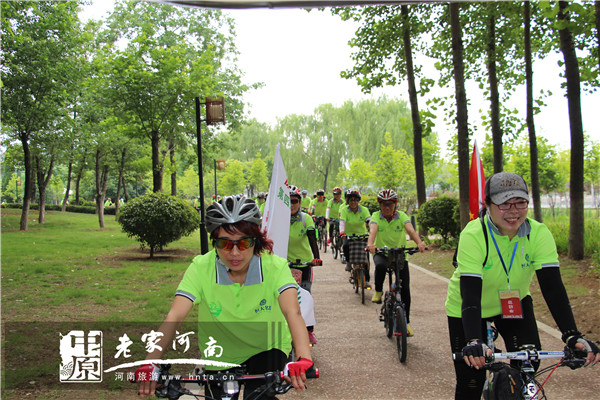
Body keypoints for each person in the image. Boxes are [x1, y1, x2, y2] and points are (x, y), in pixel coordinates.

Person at [135, 195, 314, 399]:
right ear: (214, 242)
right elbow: (174, 317)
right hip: (220, 351)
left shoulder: (275, 266)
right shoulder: (201, 267)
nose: (235, 253)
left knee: (258, 396)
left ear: (255, 240)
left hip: (268, 346)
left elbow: (293, 312)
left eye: (244, 243)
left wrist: (303, 358)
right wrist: (150, 362)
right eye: (225, 244)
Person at [445, 172, 600, 400]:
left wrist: (571, 335)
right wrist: (474, 341)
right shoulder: (474, 234)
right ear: (488, 204)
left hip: (513, 303)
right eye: (504, 204)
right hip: (468, 306)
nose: (514, 211)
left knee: (529, 363)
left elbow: (553, 288)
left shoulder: (538, 233)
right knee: (471, 379)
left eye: (520, 203)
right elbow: (470, 293)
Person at [366, 189, 427, 337]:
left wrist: (419, 243)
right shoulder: (376, 216)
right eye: (383, 204)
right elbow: (373, 231)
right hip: (381, 252)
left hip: (399, 254)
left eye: (390, 204)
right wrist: (370, 244)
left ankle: (406, 323)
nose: (387, 207)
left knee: (405, 288)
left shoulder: (402, 216)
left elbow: (411, 231)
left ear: (395, 204)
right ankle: (378, 291)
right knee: (380, 266)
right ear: (380, 205)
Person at [287, 185, 322, 345]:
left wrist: (316, 258)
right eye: (288, 201)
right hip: (285, 265)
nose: (292, 204)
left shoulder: (305, 218)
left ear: (300, 203)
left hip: (304, 264)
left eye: (295, 201)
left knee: (305, 296)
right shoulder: (280, 219)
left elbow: (312, 238)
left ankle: (308, 331)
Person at [339, 190, 371, 285]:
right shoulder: (344, 210)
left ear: (358, 201)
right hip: (348, 235)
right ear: (348, 201)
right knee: (345, 246)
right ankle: (349, 262)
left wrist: (371, 227)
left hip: (362, 235)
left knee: (366, 259)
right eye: (351, 200)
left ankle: (366, 280)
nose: (353, 202)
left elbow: (369, 220)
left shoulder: (364, 210)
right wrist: (342, 232)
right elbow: (342, 222)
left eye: (356, 200)